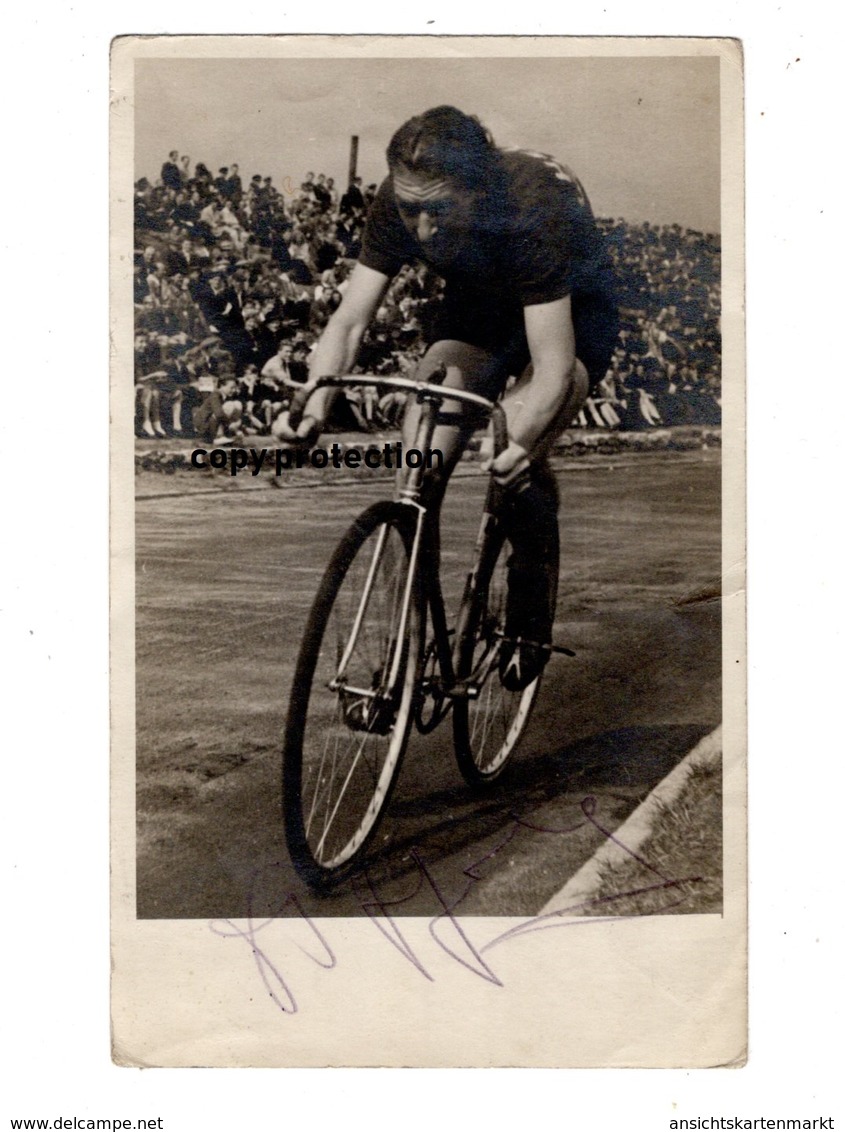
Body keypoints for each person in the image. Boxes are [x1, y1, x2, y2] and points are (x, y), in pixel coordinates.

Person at [287, 105, 620, 689]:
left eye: (437, 210)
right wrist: (313, 402)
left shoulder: (527, 210)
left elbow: (551, 370)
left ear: (477, 188)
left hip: (571, 312)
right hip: (481, 305)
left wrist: (523, 442)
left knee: (513, 448)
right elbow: (347, 324)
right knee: (418, 463)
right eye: (410, 209)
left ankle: (532, 576)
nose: (421, 229)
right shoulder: (400, 197)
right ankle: (402, 654)